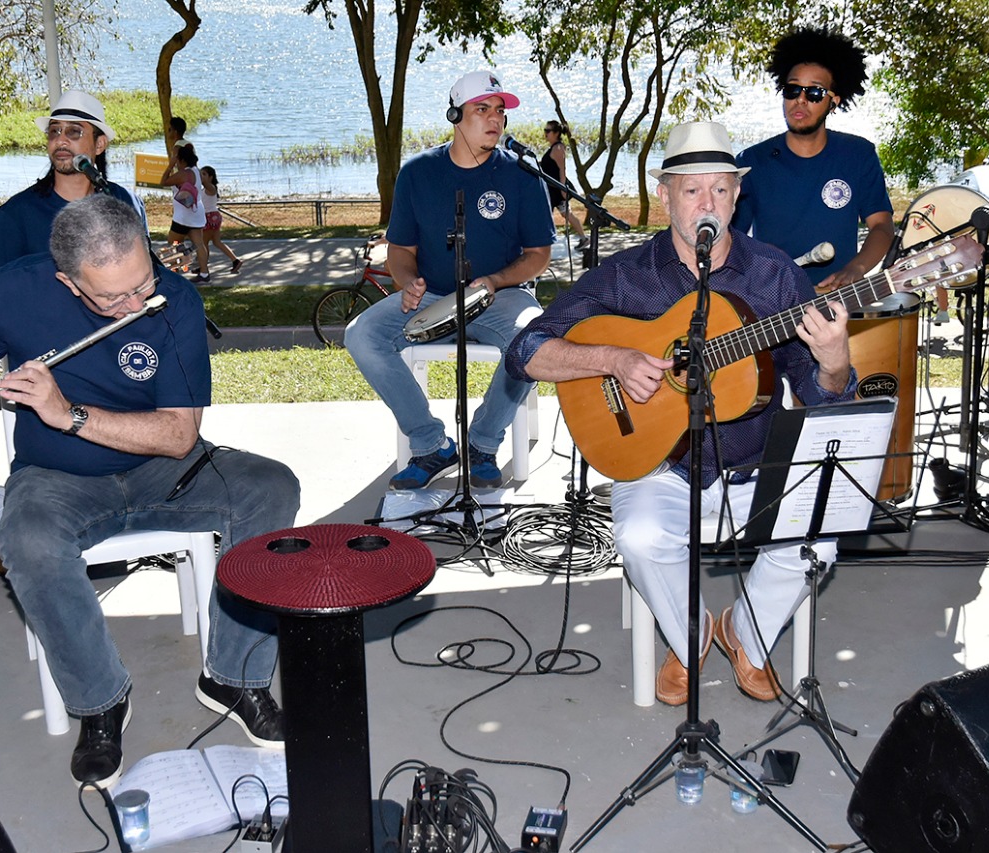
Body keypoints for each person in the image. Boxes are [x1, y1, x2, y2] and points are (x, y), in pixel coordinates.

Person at [0, 195, 300, 786]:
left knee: (272, 488)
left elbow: (178, 436)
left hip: (161, 468)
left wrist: (67, 413)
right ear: (70, 284)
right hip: (56, 478)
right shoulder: (15, 290)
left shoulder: (173, 299)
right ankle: (101, 702)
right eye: (113, 298)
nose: (135, 303)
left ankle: (234, 677)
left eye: (141, 282)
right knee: (27, 539)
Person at [506, 121, 856, 705]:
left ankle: (746, 633)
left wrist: (835, 361)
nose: (707, 203)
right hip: (661, 468)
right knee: (640, 537)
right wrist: (612, 358)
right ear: (665, 195)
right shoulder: (626, 278)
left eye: (720, 189)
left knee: (820, 539)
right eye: (692, 190)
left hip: (755, 466)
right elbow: (524, 352)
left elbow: (824, 398)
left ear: (737, 195)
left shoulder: (775, 276)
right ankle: (689, 638)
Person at [345, 70, 554, 490]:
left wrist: (495, 280)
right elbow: (401, 249)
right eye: (483, 109)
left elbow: (539, 256)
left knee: (532, 338)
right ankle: (431, 445)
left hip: (503, 296)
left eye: (500, 111)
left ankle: (482, 442)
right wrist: (408, 283)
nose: (495, 119)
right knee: (361, 334)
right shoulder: (418, 173)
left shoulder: (523, 176)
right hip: (433, 296)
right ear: (456, 114)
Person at [730, 28, 897, 300]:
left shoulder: (858, 155)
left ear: (834, 102)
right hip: (770, 306)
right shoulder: (752, 161)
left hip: (839, 301)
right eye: (792, 89)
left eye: (815, 92)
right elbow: (731, 238)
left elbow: (882, 226)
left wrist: (856, 269)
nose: (801, 100)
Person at [0, 91, 146, 292]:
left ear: (99, 144)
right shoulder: (16, 215)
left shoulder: (125, 202)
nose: (61, 140)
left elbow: (142, 273)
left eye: (74, 132)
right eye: (54, 131)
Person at [161, 144, 211, 283]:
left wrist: (170, 166)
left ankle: (175, 271)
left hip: (183, 217)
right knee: (199, 244)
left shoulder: (184, 174)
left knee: (173, 243)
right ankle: (204, 273)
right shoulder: (196, 171)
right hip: (196, 213)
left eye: (177, 159)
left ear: (182, 160)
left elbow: (163, 181)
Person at [540, 121, 587, 250]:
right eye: (545, 130)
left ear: (556, 133)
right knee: (563, 213)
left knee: (564, 214)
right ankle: (583, 238)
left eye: (548, 131)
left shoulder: (558, 148)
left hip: (556, 189)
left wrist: (562, 189)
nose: (546, 134)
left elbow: (562, 169)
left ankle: (583, 238)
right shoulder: (554, 147)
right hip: (550, 188)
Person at [200, 165, 242, 274]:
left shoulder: (211, 188)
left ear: (211, 177)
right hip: (211, 217)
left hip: (210, 217)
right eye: (200, 174)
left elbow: (205, 183)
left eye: (204, 174)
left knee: (203, 244)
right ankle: (235, 260)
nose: (201, 177)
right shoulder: (204, 190)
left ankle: (203, 267)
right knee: (217, 242)